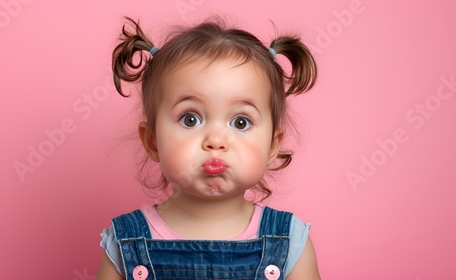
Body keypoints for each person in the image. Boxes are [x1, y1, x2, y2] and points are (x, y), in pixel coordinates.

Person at [97, 16, 320, 280]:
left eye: (240, 122)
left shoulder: (290, 242)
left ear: (272, 145)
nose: (215, 140)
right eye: (190, 119)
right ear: (152, 141)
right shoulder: (125, 243)